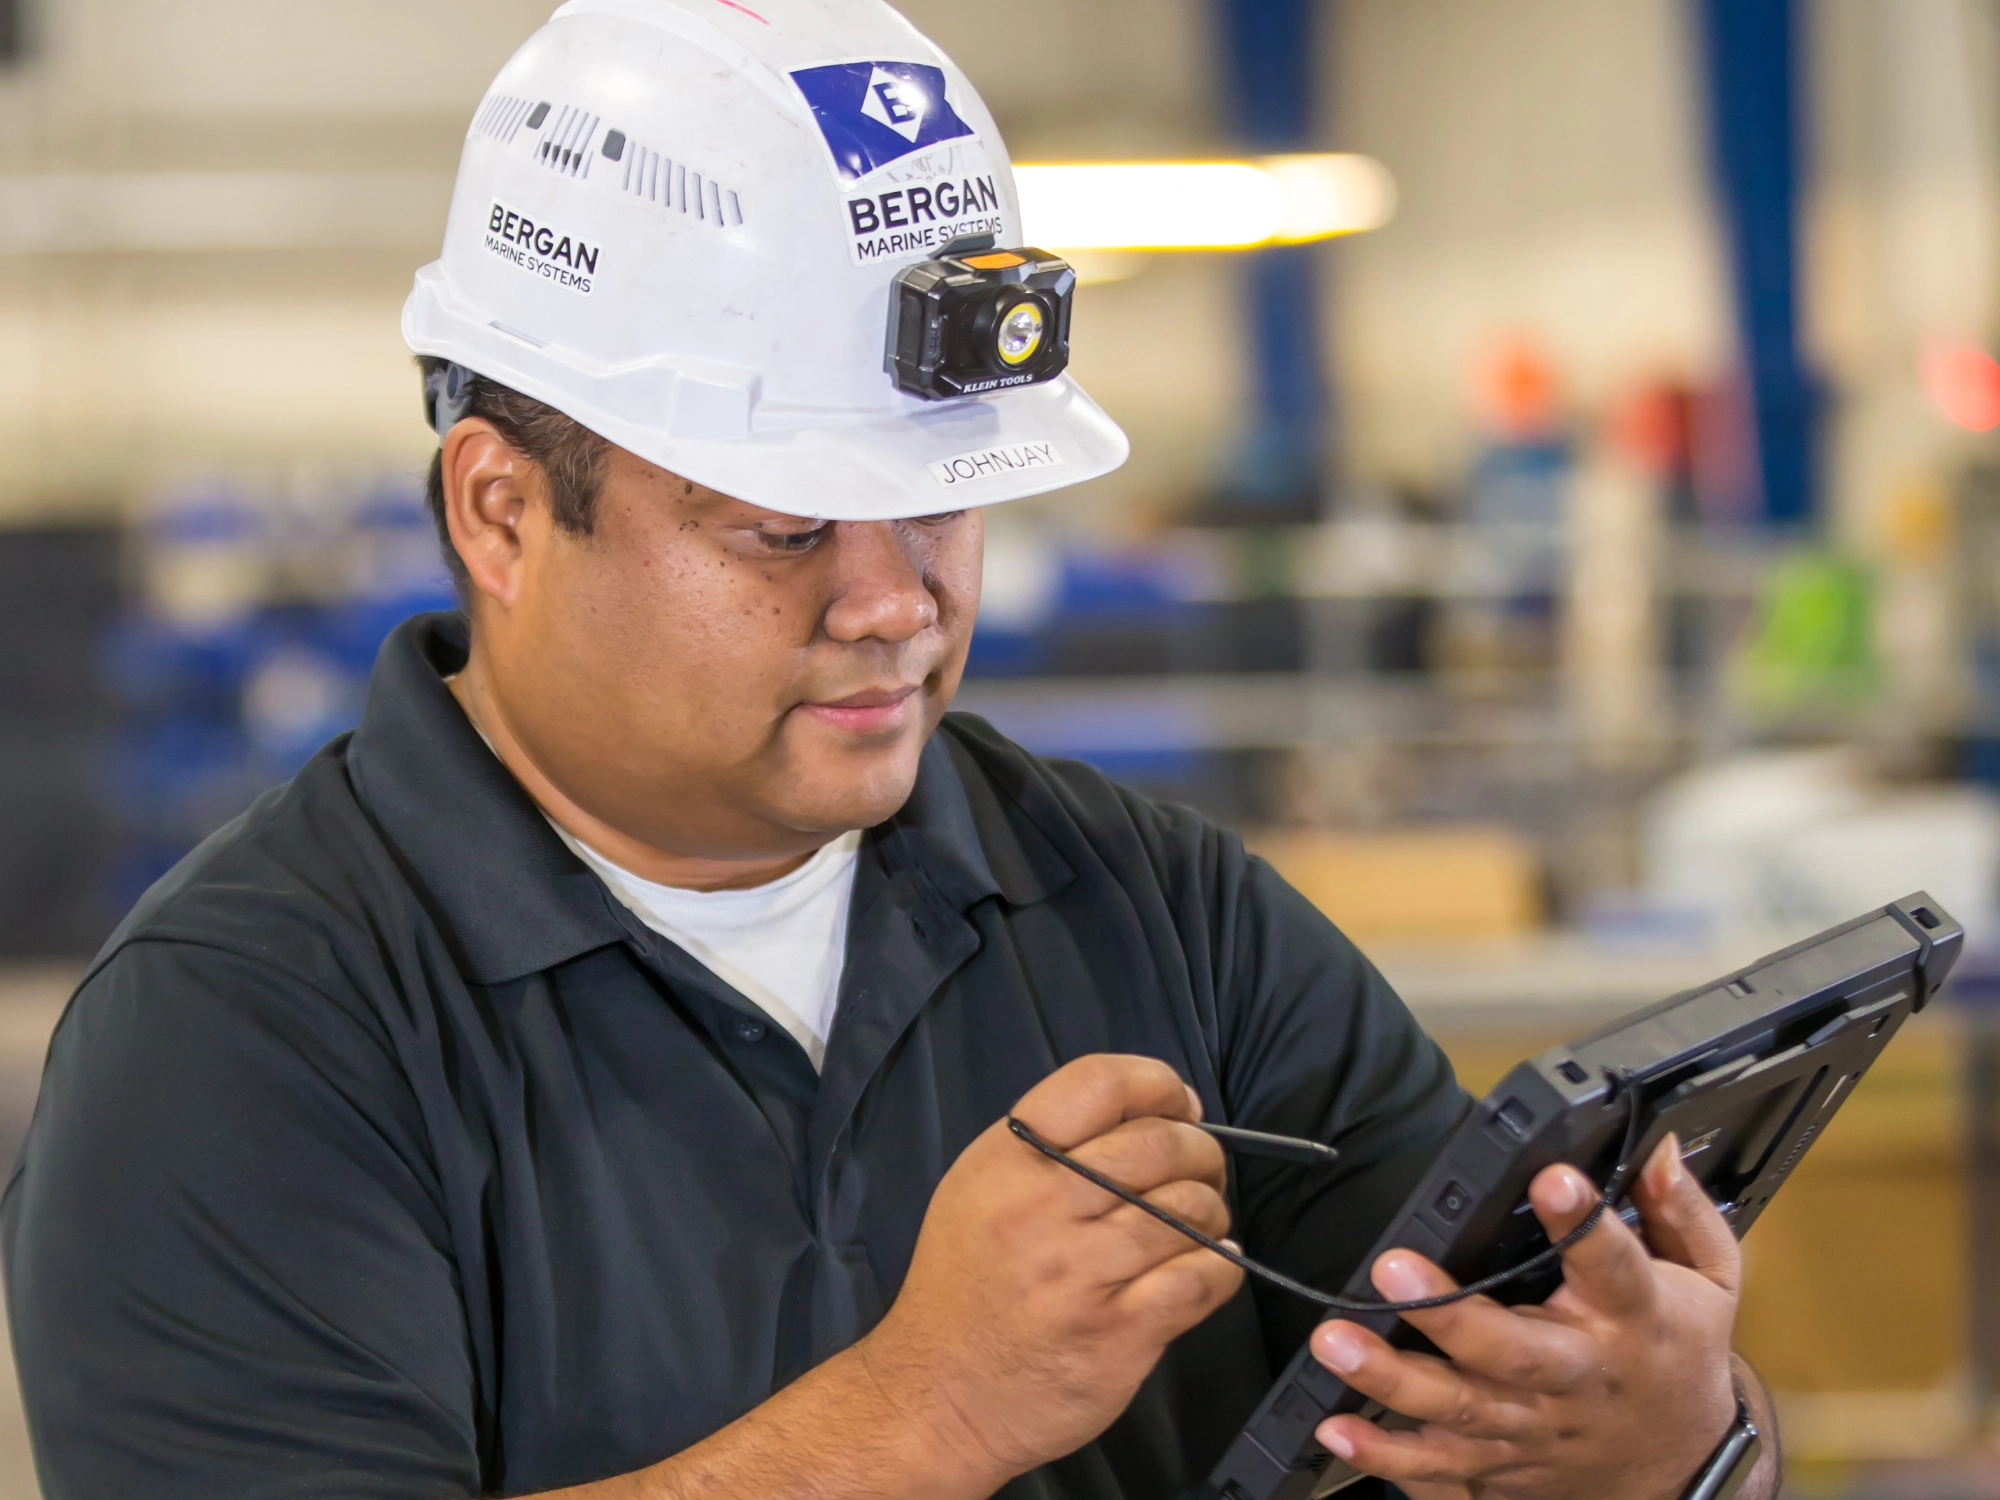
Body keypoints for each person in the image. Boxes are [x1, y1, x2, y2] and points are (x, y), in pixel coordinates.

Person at [2, 2, 1778, 1498]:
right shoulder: (241, 1041)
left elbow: (1479, 1400)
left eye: (945, 502)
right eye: (785, 531)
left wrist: (1670, 1438)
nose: (893, 603)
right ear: (505, 511)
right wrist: (922, 1409)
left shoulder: (1155, 914)